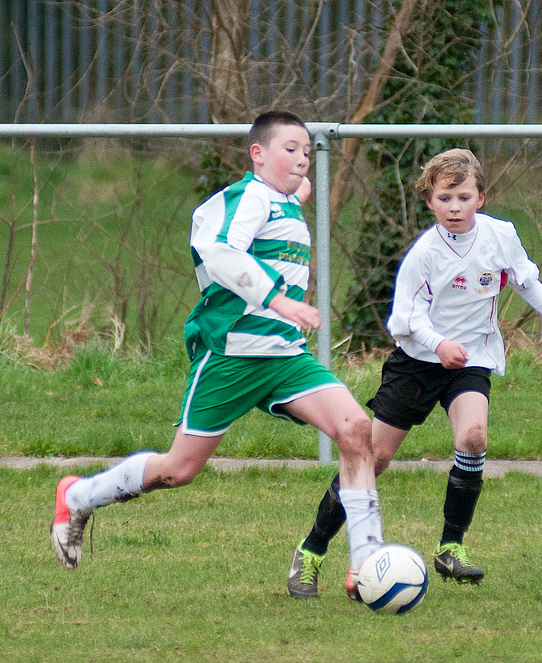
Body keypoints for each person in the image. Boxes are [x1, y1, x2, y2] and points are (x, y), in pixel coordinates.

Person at [50, 111, 385, 583]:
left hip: (286, 358)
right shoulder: (247, 197)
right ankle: (79, 496)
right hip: (231, 355)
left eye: (308, 152)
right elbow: (221, 252)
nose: (303, 159)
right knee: (178, 470)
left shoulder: (281, 199)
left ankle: (368, 563)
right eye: (290, 149)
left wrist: (294, 191)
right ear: (257, 154)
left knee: (356, 432)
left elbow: (286, 198)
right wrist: (278, 300)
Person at [287, 148, 542, 601]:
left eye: (464, 197)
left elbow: (527, 282)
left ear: (481, 198)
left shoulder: (499, 236)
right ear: (430, 202)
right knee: (372, 460)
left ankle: (451, 546)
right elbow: (401, 322)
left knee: (473, 438)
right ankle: (311, 552)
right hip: (416, 363)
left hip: (470, 361)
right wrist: (438, 344)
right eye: (445, 197)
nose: (455, 207)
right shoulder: (424, 256)